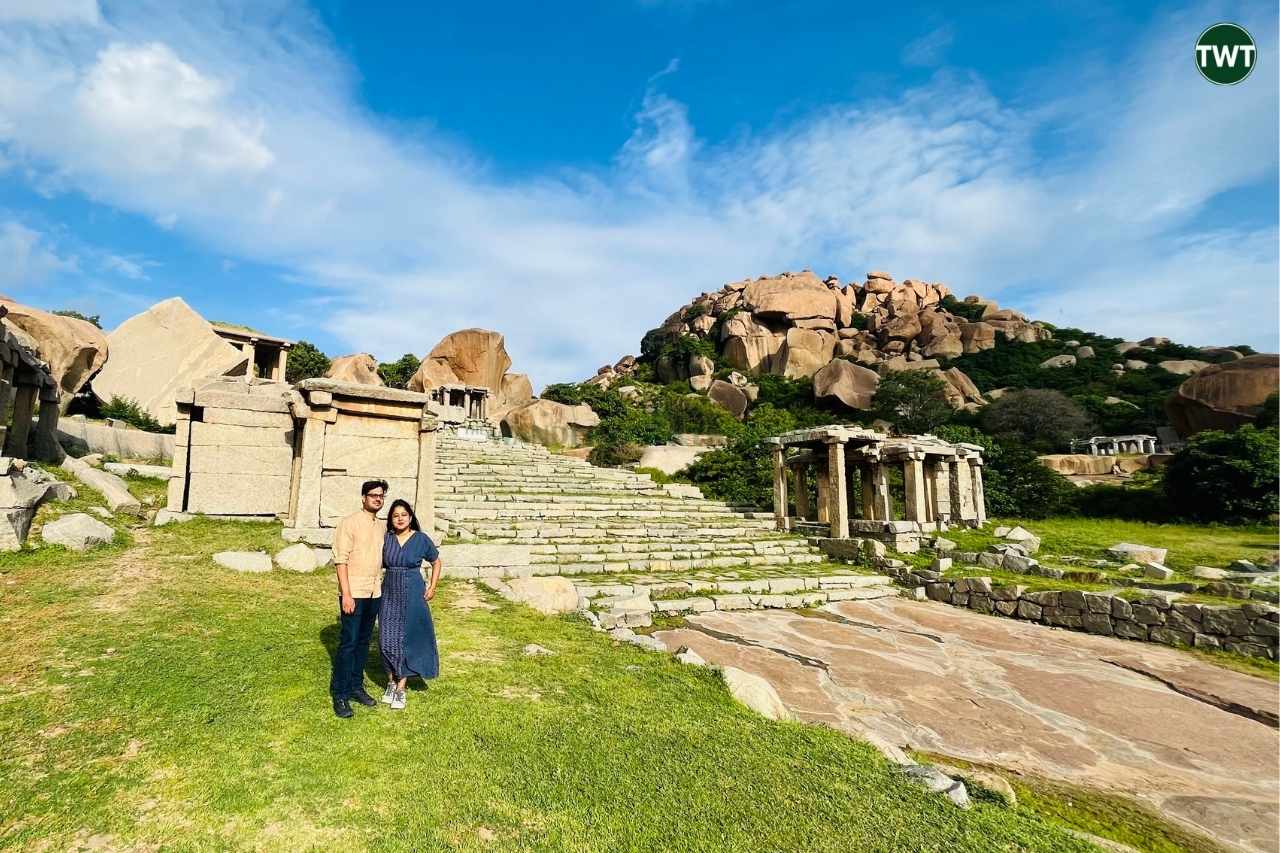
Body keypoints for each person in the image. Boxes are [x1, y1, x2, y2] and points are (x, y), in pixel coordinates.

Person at [329, 479, 389, 718]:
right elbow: (340, 560)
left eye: (381, 496)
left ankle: (355, 686)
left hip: (374, 592)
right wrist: (346, 594)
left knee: (364, 643)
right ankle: (340, 694)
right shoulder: (349, 523)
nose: (377, 499)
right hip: (354, 593)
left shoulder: (381, 526)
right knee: (349, 643)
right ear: (363, 497)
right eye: (373, 495)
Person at [378, 498, 441, 711]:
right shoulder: (386, 539)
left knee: (407, 638)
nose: (400, 519)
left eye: (404, 515)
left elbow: (436, 561)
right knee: (386, 638)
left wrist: (432, 587)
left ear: (411, 517)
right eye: (395, 516)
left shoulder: (421, 539)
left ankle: (401, 687)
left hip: (413, 591)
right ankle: (390, 681)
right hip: (389, 592)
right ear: (391, 519)